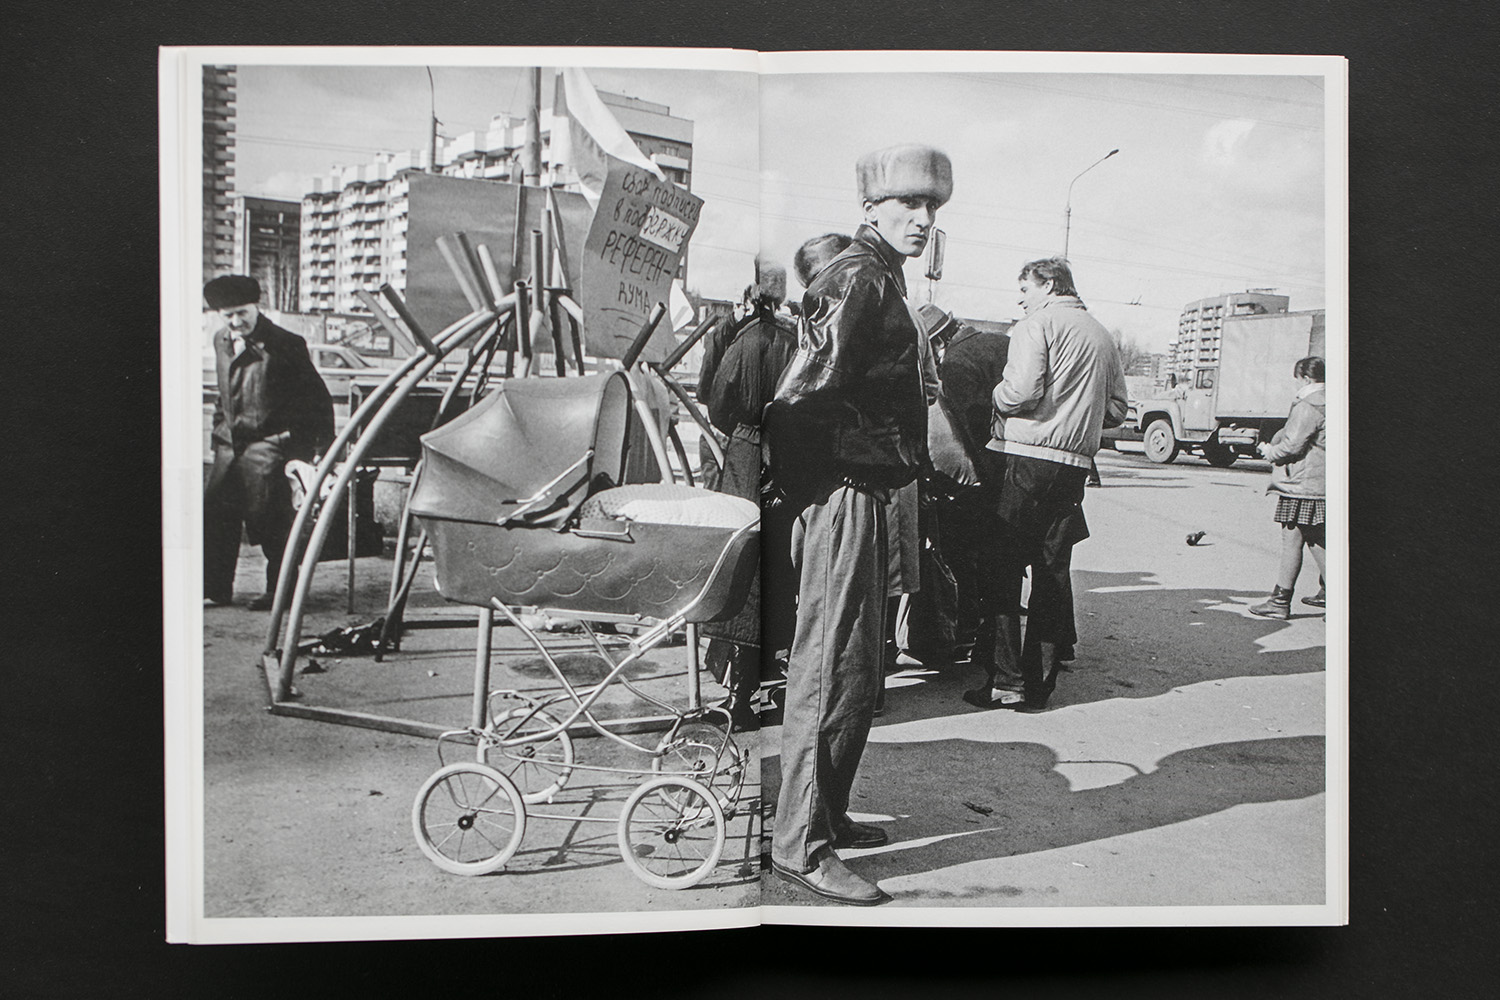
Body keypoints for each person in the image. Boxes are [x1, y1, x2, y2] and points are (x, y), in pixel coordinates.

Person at [764, 144, 951, 905]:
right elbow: (798, 403)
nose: (922, 219)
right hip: (844, 493)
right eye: (907, 205)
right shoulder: (856, 277)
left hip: (864, 492)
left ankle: (827, 816)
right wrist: (826, 493)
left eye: (932, 207)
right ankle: (798, 846)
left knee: (856, 670)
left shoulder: (881, 277)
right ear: (871, 208)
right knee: (828, 666)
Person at [964, 257, 1127, 711]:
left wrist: (994, 395)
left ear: (1049, 284)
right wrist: (1079, 415)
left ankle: (1006, 680)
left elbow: (1022, 391)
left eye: (1025, 288)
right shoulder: (1101, 334)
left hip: (1023, 457)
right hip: (1074, 465)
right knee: (1051, 570)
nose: (1021, 298)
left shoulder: (1035, 326)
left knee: (1001, 569)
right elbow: (1116, 410)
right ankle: (1039, 685)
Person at [700, 265, 798, 729]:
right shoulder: (796, 341)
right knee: (781, 571)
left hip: (745, 457)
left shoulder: (743, 342)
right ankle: (773, 686)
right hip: (787, 463)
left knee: (742, 571)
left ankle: (740, 699)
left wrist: (744, 429)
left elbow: (718, 403)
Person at [203, 275, 334, 610]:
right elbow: (224, 393)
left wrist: (316, 453)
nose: (235, 322)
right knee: (217, 516)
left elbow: (316, 399)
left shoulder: (285, 343)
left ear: (256, 306)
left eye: (241, 313)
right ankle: (215, 588)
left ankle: (281, 592)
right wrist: (218, 434)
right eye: (227, 315)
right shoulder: (221, 339)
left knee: (273, 521)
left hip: (270, 446)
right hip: (229, 447)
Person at [931, 309, 1011, 670]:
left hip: (987, 469)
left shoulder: (957, 361)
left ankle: (972, 635)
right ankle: (1060, 641)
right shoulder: (999, 341)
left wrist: (974, 478)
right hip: (1019, 461)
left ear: (937, 341)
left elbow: (967, 427)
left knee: (967, 553)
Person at [1249, 356, 1327, 617]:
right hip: (1322, 484)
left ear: (1305, 378)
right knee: (1315, 540)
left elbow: (1293, 445)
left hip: (1302, 485)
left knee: (1292, 538)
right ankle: (1335, 595)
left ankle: (1279, 603)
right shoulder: (1334, 400)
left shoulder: (1309, 404)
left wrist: (1270, 452)